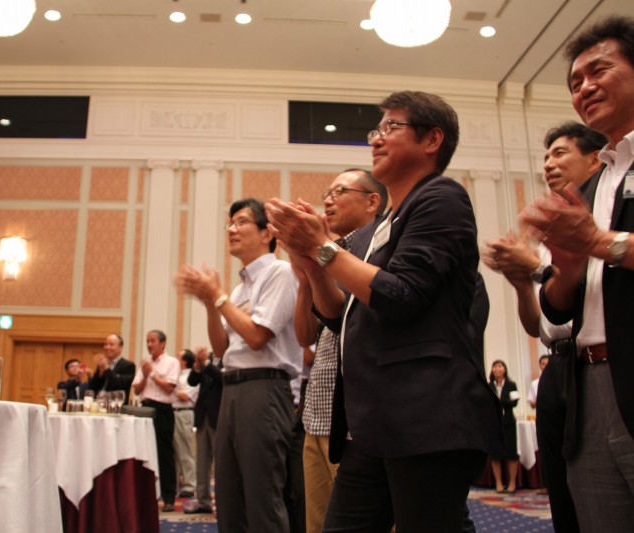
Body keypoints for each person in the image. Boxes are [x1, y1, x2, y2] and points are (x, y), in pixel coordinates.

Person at [266, 90, 502, 532]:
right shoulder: (377, 229)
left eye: (391, 127)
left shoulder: (441, 197)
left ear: (432, 139)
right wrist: (312, 264)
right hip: (373, 420)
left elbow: (401, 295)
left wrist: (322, 247)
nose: (376, 138)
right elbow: (340, 318)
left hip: (425, 415)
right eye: (376, 129)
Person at [520, 15, 634, 531]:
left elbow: (601, 246)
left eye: (599, 70)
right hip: (585, 384)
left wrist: (598, 243)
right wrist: (562, 270)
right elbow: (560, 308)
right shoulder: (596, 184)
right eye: (574, 82)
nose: (584, 87)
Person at [484, 120, 605, 532]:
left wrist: (536, 268)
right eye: (546, 156)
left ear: (595, 160)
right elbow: (537, 326)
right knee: (563, 489)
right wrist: (522, 284)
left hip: (597, 363)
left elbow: (587, 294)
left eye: (560, 153)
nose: (549, 163)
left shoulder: (604, 218)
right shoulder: (546, 236)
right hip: (558, 368)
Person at [175, 197, 302, 532]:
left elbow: (258, 336)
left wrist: (217, 296)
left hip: (265, 389)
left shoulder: (280, 273)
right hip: (232, 389)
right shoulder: (238, 289)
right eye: (229, 223)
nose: (231, 229)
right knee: (229, 501)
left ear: (267, 233)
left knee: (262, 501)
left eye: (241, 221)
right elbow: (222, 348)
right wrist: (210, 303)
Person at [291, 168, 388, 533]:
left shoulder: (382, 249)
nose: (328, 201)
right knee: (318, 524)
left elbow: (360, 319)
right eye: (326, 194)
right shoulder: (329, 252)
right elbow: (305, 337)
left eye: (339, 192)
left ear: (372, 201)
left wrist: (320, 254)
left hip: (354, 422)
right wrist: (305, 278)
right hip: (317, 413)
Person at [132, 329, 181, 512]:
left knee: (164, 454)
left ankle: (168, 497)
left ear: (163, 343)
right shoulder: (145, 364)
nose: (149, 344)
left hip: (163, 410)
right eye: (147, 341)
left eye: (153, 341)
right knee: (143, 452)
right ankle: (146, 495)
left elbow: (169, 388)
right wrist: (145, 375)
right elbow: (137, 390)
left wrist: (152, 374)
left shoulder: (172, 362)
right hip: (144, 408)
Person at [184, 346, 222, 515]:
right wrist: (197, 367)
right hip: (203, 416)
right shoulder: (208, 359)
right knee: (202, 462)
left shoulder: (230, 358)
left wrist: (205, 363)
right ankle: (203, 501)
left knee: (221, 463)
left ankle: (223, 503)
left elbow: (221, 378)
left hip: (219, 416)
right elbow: (192, 381)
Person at [488, 360, 521, 493]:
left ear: (504, 369)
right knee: (495, 453)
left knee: (511, 453)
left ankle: (512, 482)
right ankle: (498, 482)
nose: (497, 369)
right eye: (495, 366)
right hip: (494, 423)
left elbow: (514, 403)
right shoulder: (489, 385)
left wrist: (501, 400)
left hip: (508, 422)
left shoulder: (511, 385)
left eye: (500, 366)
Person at [173, 349, 199, 499]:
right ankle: (175, 484)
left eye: (178, 357)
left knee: (185, 450)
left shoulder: (191, 376)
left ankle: (190, 485)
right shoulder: (177, 375)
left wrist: (170, 388)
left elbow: (185, 396)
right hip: (173, 412)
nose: (176, 359)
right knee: (174, 452)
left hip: (185, 413)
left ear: (184, 361)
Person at [87, 334, 136, 405]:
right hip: (98, 404)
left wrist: (106, 368)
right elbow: (93, 387)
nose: (107, 347)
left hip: (117, 406)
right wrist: (98, 374)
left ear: (120, 348)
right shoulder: (102, 365)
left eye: (111, 344)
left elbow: (119, 384)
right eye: (105, 344)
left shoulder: (128, 365)